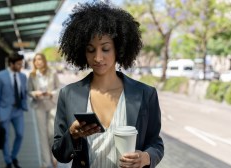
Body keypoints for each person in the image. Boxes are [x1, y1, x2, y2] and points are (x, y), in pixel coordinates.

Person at [52, 2, 164, 168]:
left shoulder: (145, 94)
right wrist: (72, 135)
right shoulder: (68, 94)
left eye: (105, 49)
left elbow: (156, 143)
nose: (98, 58)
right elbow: (59, 153)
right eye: (90, 50)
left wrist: (146, 157)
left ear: (118, 49)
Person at [0, 54, 28, 168]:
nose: (21, 66)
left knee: (20, 134)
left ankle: (13, 156)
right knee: (5, 137)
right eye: (18, 64)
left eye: (21, 64)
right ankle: (8, 161)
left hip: (18, 111)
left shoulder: (23, 76)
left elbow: (24, 92)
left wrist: (24, 103)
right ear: (11, 64)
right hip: (4, 111)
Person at [27, 53, 61, 168]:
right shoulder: (32, 75)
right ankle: (45, 163)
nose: (38, 62)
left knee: (52, 133)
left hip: (51, 104)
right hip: (39, 106)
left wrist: (51, 94)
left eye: (40, 59)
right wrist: (35, 94)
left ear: (44, 61)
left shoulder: (53, 73)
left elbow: (59, 87)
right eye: (36, 60)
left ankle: (54, 157)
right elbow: (29, 91)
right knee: (42, 135)